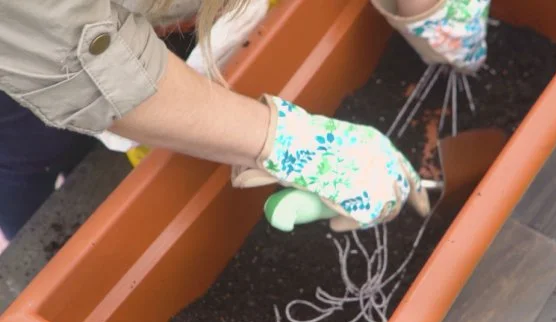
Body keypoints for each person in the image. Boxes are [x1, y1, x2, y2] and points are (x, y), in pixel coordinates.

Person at [0, 0, 488, 244]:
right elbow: (80, 61)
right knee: (26, 156)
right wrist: (301, 148)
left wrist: (427, 7)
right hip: (27, 62)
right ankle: (18, 226)